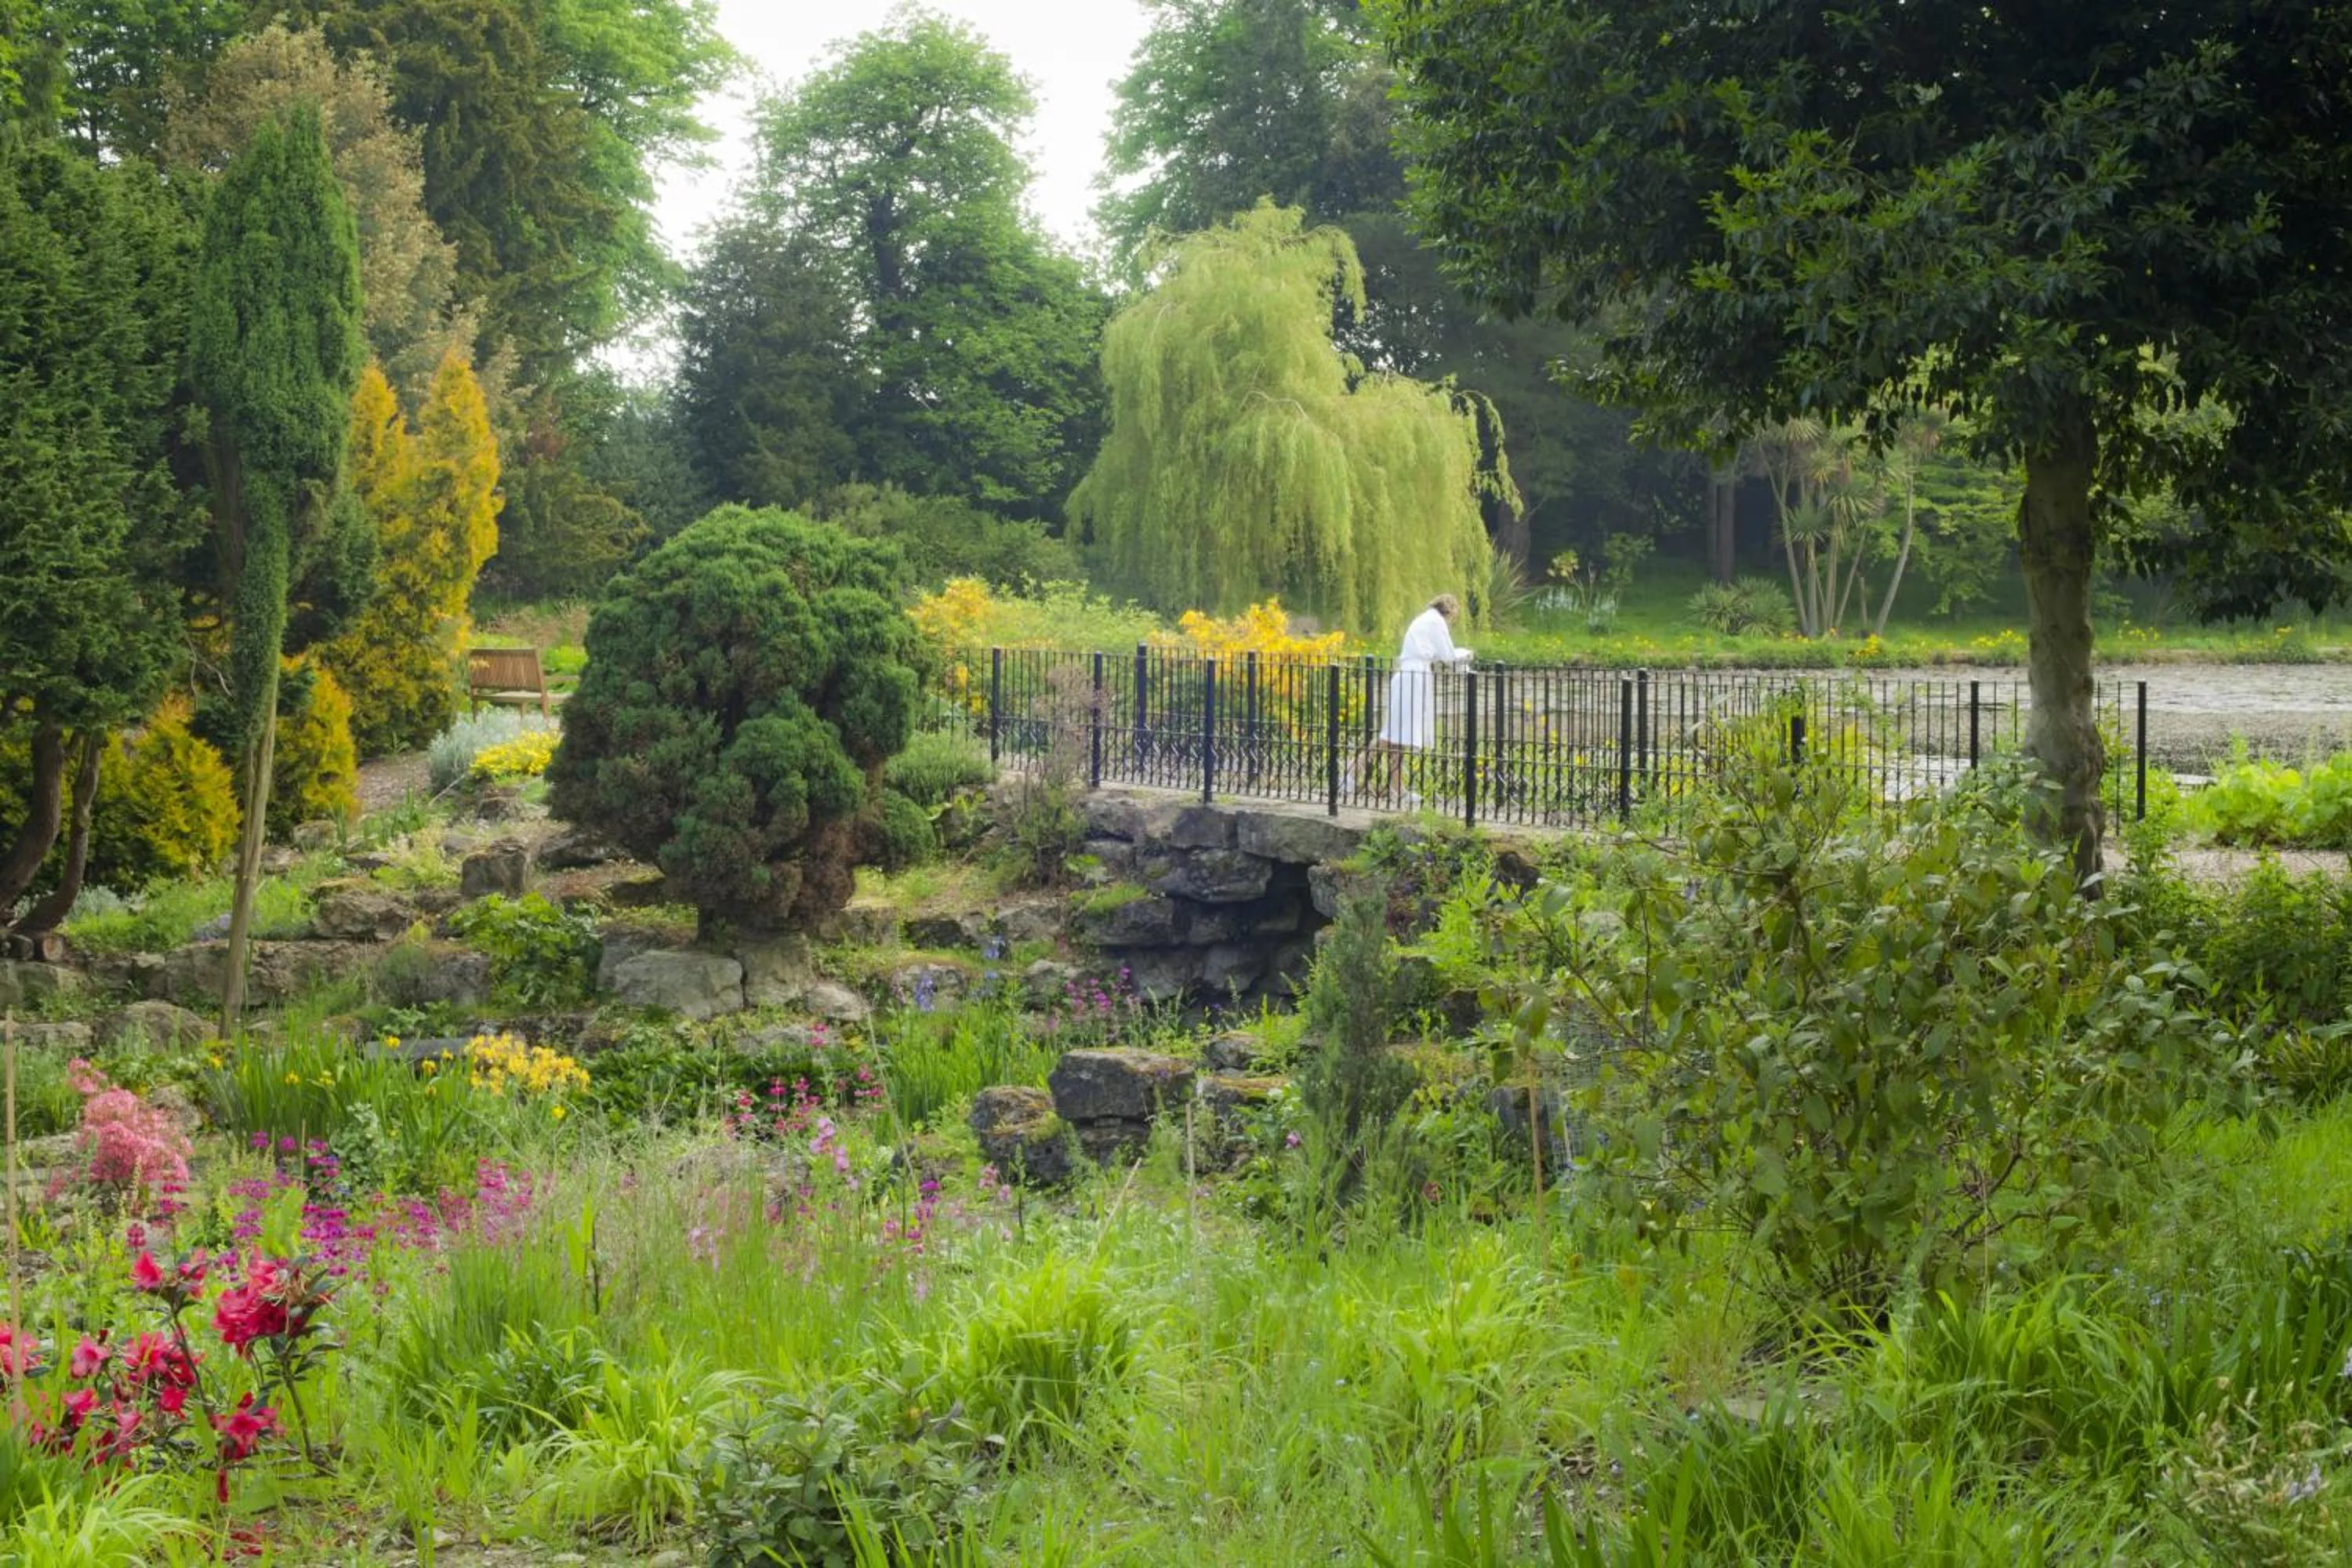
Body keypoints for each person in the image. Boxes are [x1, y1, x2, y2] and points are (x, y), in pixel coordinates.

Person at [1356, 593, 1472, 807]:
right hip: (1414, 678)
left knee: (1396, 736)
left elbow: (1435, 653)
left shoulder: (1424, 619)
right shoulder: (1436, 622)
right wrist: (1465, 655)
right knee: (1394, 735)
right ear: (1451, 611)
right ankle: (1355, 772)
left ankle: (1395, 788)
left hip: (1409, 675)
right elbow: (1447, 655)